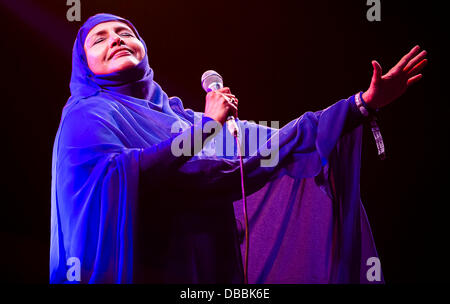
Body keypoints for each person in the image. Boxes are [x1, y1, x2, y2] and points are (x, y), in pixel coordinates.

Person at [50, 13, 427, 283]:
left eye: (124, 32)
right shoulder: (88, 114)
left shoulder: (183, 118)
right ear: (84, 64)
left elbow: (281, 140)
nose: (115, 39)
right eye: (99, 38)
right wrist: (206, 130)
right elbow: (117, 175)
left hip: (214, 269)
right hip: (147, 267)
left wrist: (360, 103)